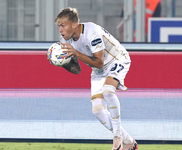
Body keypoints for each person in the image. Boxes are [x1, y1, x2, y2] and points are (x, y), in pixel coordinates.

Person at [54, 7, 138, 150]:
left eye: (63, 25)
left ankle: (117, 137)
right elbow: (77, 70)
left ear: (74, 24)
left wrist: (76, 53)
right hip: (98, 70)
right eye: (59, 26)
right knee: (98, 110)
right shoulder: (66, 40)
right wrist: (61, 60)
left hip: (116, 60)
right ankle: (129, 141)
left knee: (108, 91)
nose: (60, 30)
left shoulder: (91, 32)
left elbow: (99, 61)